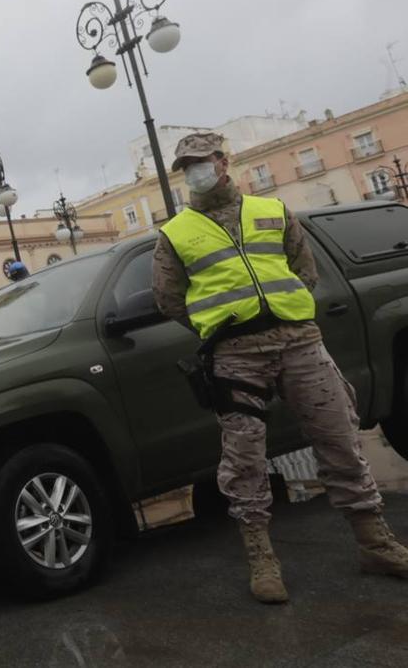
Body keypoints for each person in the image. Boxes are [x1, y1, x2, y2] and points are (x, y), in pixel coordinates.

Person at [153, 132, 408, 604]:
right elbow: (168, 299)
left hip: (299, 342)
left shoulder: (271, 211)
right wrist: (220, 324)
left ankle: (375, 543)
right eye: (186, 167)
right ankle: (262, 558)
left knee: (339, 437)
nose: (194, 173)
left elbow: (304, 269)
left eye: (201, 162)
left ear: (223, 162)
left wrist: (284, 308)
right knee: (244, 458)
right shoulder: (176, 233)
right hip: (234, 354)